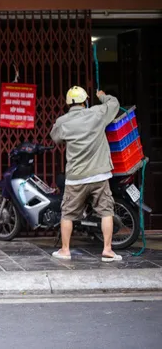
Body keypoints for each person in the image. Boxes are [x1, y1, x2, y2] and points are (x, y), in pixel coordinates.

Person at [50, 86, 122, 262]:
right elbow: (115, 104)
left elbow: (55, 137)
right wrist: (103, 96)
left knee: (67, 213)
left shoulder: (62, 121)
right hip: (99, 175)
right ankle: (107, 250)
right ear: (85, 101)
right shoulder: (97, 113)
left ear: (68, 103)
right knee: (106, 211)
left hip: (76, 177)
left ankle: (65, 250)